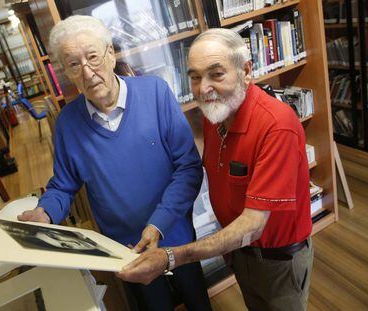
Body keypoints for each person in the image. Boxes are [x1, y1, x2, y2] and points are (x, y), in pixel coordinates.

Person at [17, 15, 212, 311]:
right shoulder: (68, 124)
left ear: (110, 54)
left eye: (92, 57)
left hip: (175, 233)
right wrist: (45, 212)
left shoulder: (155, 93)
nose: (87, 71)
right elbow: (63, 185)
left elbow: (188, 168)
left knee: (198, 301)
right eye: (73, 64)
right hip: (125, 249)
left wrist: (157, 225)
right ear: (66, 73)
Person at [118, 28, 314, 311]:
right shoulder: (216, 115)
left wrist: (171, 257)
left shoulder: (277, 126)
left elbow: (254, 223)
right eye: (195, 77)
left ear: (246, 71)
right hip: (239, 251)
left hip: (278, 262)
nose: (203, 88)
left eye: (216, 74)